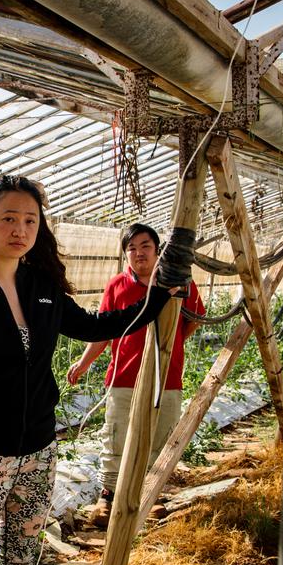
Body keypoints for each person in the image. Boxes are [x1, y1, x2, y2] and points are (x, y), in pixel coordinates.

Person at [0, 176, 177, 565]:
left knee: (21, 557)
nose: (19, 229)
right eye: (8, 219)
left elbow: (96, 327)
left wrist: (157, 298)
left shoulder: (41, 286)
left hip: (39, 450)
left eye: (29, 220)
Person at [66, 222, 204, 526]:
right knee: (115, 436)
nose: (138, 253)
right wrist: (85, 362)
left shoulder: (182, 283)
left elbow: (193, 320)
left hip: (167, 379)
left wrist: (172, 345)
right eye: (131, 248)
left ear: (157, 250)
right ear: (126, 254)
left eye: (145, 246)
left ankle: (149, 496)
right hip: (124, 376)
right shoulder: (118, 285)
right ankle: (108, 497)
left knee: (159, 436)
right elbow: (103, 330)